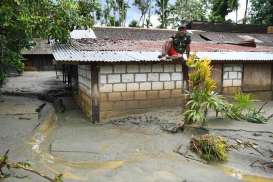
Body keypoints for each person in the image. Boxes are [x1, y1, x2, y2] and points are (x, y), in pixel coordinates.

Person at [160, 24, 192, 89]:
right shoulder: (175, 35)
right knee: (169, 40)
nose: (182, 31)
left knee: (181, 58)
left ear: (185, 31)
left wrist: (188, 58)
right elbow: (166, 43)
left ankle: (187, 84)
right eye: (180, 30)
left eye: (183, 30)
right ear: (178, 31)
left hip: (177, 55)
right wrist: (164, 53)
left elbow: (188, 48)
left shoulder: (187, 37)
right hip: (171, 51)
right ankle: (164, 55)